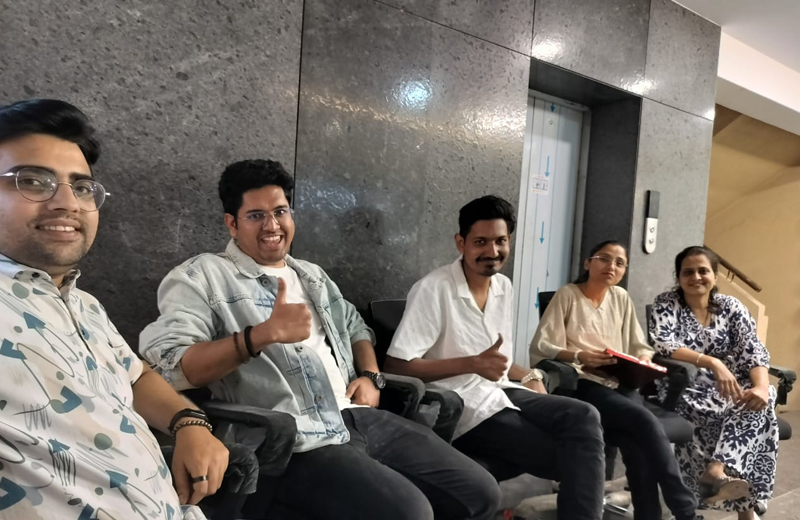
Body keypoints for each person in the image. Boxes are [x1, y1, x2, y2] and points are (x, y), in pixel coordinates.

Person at [139, 159, 501, 520]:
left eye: (280, 211)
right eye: (256, 215)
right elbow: (172, 367)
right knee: (410, 512)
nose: (272, 225)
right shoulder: (202, 276)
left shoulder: (311, 275)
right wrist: (259, 336)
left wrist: (371, 376)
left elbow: (356, 326)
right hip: (293, 437)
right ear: (232, 223)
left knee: (480, 492)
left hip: (358, 416)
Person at [0, 99, 228, 519]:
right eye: (32, 181)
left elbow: (135, 374)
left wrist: (188, 421)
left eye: (81, 187)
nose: (67, 203)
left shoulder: (83, 304)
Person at [384, 195, 606, 520]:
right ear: (461, 243)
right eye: (480, 242)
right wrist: (471, 364)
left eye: (500, 241)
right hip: (461, 405)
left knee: (584, 415)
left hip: (502, 391)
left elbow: (496, 361)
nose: (492, 251)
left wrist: (529, 375)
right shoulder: (434, 288)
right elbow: (396, 366)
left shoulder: (503, 286)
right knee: (571, 457)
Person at [530, 240, 699, 520]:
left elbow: (638, 343)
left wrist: (643, 360)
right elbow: (543, 345)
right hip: (582, 382)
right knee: (646, 422)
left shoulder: (620, 297)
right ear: (588, 263)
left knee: (637, 445)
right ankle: (685, 509)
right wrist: (579, 355)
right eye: (604, 259)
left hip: (620, 381)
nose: (612, 266)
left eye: (619, 263)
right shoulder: (568, 295)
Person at [649, 246, 778, 520]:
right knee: (748, 422)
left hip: (732, 386)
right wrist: (713, 362)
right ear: (678, 277)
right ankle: (745, 509)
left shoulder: (731, 307)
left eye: (703, 271)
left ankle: (718, 469)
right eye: (688, 272)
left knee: (763, 398)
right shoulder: (667, 304)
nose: (696, 277)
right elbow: (663, 343)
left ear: (715, 276)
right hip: (686, 385)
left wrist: (760, 387)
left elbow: (753, 350)